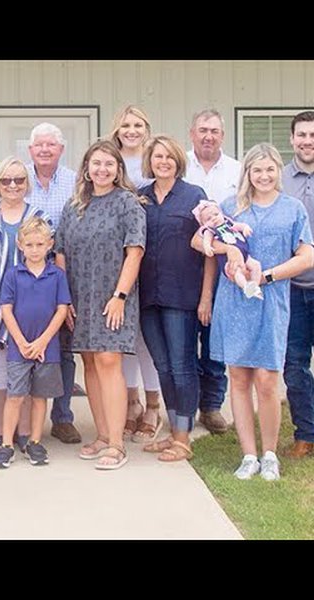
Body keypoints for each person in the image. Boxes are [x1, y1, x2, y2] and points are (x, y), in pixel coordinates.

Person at [193, 143, 313, 480]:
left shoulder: (292, 209)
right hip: (234, 302)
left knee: (267, 381)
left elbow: (307, 256)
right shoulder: (231, 207)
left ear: (278, 171)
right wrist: (227, 247)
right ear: (247, 173)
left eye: (269, 169)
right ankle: (248, 456)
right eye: (256, 170)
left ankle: (270, 454)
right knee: (240, 380)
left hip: (271, 302)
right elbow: (198, 242)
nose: (263, 176)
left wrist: (270, 274)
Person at [55, 140, 146, 470]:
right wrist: (64, 299)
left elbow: (134, 252)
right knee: (90, 363)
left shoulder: (128, 204)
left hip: (114, 297)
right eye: (96, 163)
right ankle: (104, 436)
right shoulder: (74, 205)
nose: (102, 169)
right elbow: (60, 253)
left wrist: (120, 296)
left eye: (109, 163)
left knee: (109, 361)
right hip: (80, 297)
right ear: (86, 168)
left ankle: (118, 444)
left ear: (119, 169)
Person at [0, 156, 51, 450]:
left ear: (27, 184)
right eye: (6, 180)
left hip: (32, 309)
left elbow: (51, 263)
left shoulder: (39, 216)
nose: (12, 185)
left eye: (19, 180)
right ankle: (2, 431)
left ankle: (26, 431)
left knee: (26, 369)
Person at [138, 135, 207, 462]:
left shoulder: (194, 196)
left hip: (182, 294)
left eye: (168, 156)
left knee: (182, 366)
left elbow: (209, 249)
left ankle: (184, 437)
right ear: (149, 161)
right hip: (148, 294)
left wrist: (206, 296)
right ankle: (173, 429)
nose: (162, 161)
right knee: (162, 366)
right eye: (157, 156)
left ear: (178, 160)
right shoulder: (141, 197)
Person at [0, 217, 71, 468]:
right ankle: (6, 444)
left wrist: (42, 341)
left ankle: (35, 442)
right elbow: (6, 310)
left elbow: (61, 310)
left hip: (47, 349)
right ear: (20, 245)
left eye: (39, 244)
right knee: (15, 395)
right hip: (19, 348)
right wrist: (22, 341)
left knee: (39, 396)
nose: (35, 249)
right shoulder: (13, 275)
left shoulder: (56, 275)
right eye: (30, 244)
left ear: (49, 244)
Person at [185, 109, 242, 435]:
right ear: (192, 133)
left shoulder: (236, 171)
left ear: (223, 135)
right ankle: (189, 406)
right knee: (185, 339)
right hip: (185, 261)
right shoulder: (182, 167)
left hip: (224, 265)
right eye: (203, 130)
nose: (208, 136)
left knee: (215, 339)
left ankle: (212, 406)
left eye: (214, 131)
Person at [25, 122, 81, 445]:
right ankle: (23, 419)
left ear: (61, 150)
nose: (45, 150)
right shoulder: (20, 180)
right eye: (39, 145)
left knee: (63, 348)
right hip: (26, 276)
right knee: (24, 346)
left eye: (51, 145)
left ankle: (62, 417)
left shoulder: (75, 182)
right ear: (30, 150)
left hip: (64, 273)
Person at [109, 105, 162, 443]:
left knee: (147, 337)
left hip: (154, 256)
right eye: (126, 125)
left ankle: (154, 405)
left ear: (147, 128)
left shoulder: (155, 160)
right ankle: (131, 402)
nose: (132, 130)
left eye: (138, 124)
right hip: (118, 256)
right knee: (124, 338)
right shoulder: (110, 161)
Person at [282, 111, 314, 458]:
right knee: (294, 364)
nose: (308, 140)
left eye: (313, 135)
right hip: (291, 288)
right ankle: (306, 433)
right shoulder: (279, 180)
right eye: (302, 135)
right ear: (292, 139)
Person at [192, 200, 263, 299]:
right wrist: (208, 247)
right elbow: (206, 240)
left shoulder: (228, 223)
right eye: (208, 219)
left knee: (256, 266)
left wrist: (245, 228)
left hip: (244, 254)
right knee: (237, 273)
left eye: (216, 214)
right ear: (203, 224)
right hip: (229, 260)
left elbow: (239, 226)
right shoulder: (211, 231)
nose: (214, 219)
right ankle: (246, 287)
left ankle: (254, 286)